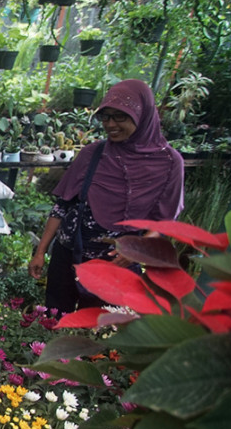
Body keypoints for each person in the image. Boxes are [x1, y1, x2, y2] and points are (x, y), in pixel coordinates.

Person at [29, 79, 184, 315]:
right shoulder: (93, 154)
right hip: (69, 256)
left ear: (143, 115)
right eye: (106, 117)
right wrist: (40, 252)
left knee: (99, 332)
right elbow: (61, 207)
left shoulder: (170, 164)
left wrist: (135, 250)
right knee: (55, 319)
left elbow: (162, 223)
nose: (111, 124)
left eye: (120, 117)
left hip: (115, 266)